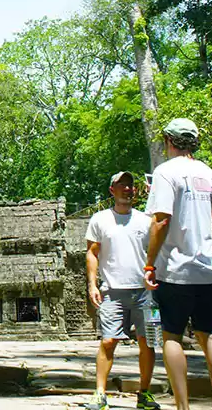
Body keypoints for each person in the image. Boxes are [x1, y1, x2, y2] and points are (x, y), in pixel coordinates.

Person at [144, 118, 212, 410]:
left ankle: (183, 406)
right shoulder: (209, 174)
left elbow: (161, 221)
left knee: (172, 335)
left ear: (169, 141)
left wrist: (149, 263)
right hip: (210, 267)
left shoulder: (165, 173)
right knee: (210, 334)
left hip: (176, 269)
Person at [85, 171, 160, 410]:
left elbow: (157, 250)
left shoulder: (146, 220)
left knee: (147, 342)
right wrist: (92, 284)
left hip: (144, 292)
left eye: (130, 186)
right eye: (122, 186)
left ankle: (145, 393)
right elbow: (92, 253)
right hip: (112, 291)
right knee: (108, 341)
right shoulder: (99, 219)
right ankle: (99, 393)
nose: (127, 189)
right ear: (112, 190)